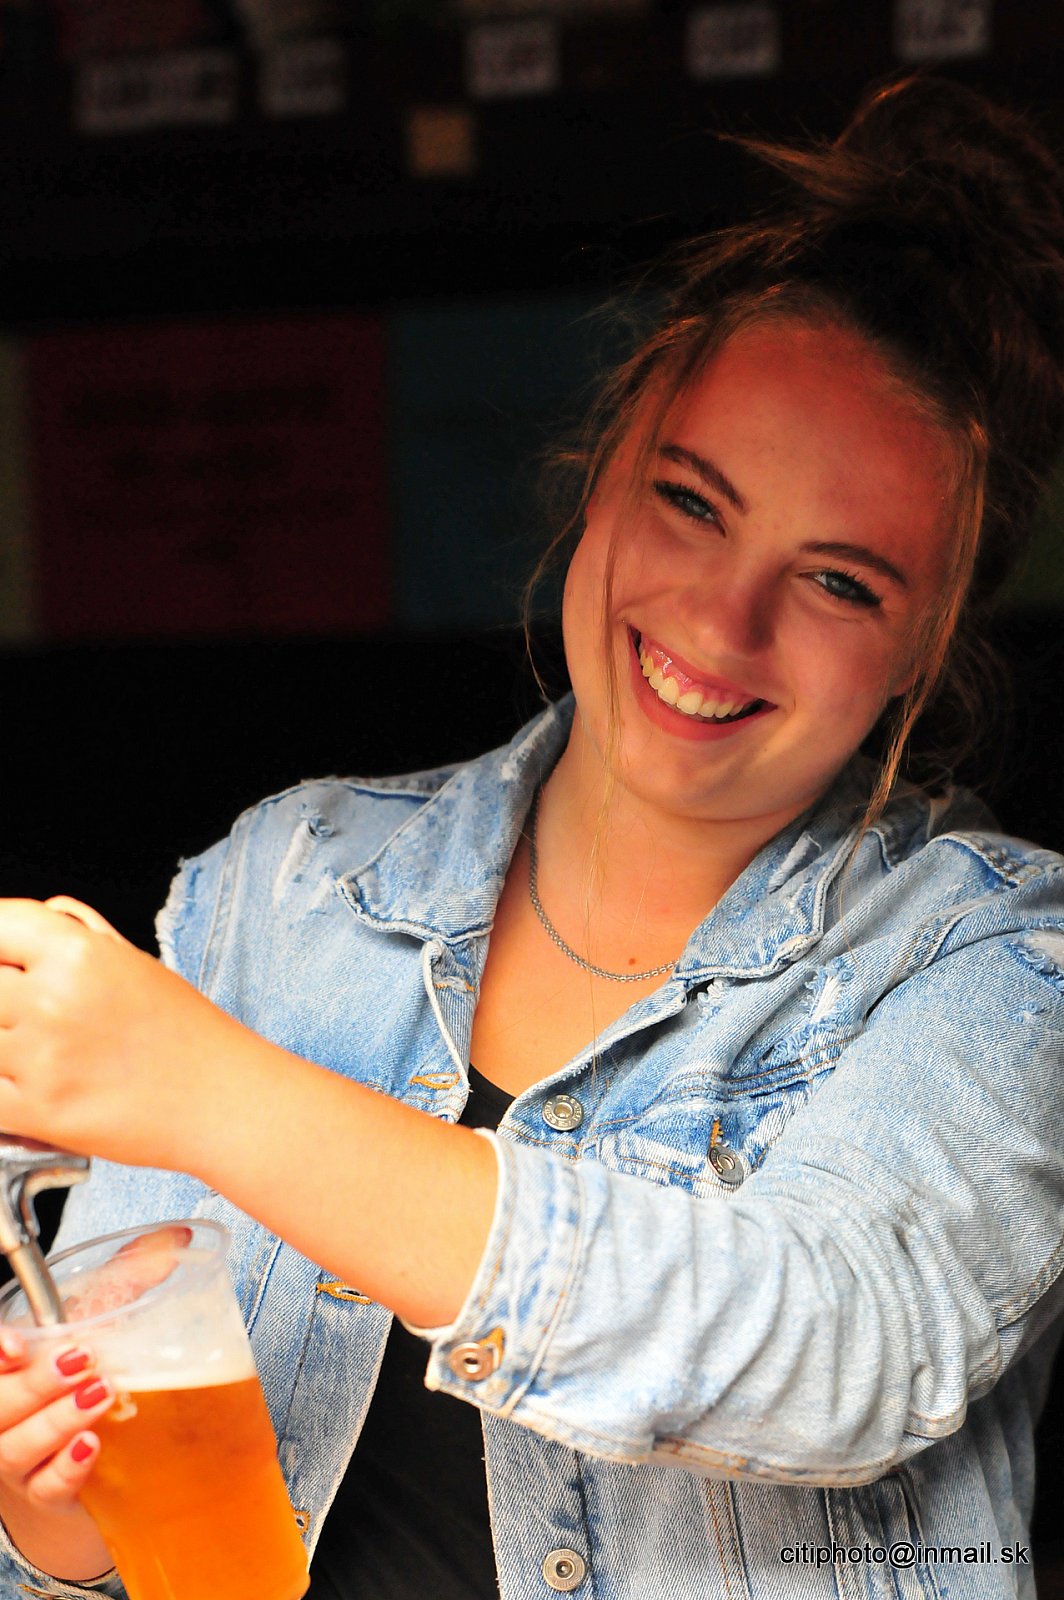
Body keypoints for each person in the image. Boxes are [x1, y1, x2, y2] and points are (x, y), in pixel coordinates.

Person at [0, 71, 1062, 1600]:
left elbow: (836, 1349)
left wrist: (205, 1090)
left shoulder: (1002, 965)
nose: (723, 621)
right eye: (691, 503)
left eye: (840, 582)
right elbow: (114, 1495)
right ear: (604, 463)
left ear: (927, 644)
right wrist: (57, 1521)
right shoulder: (286, 886)